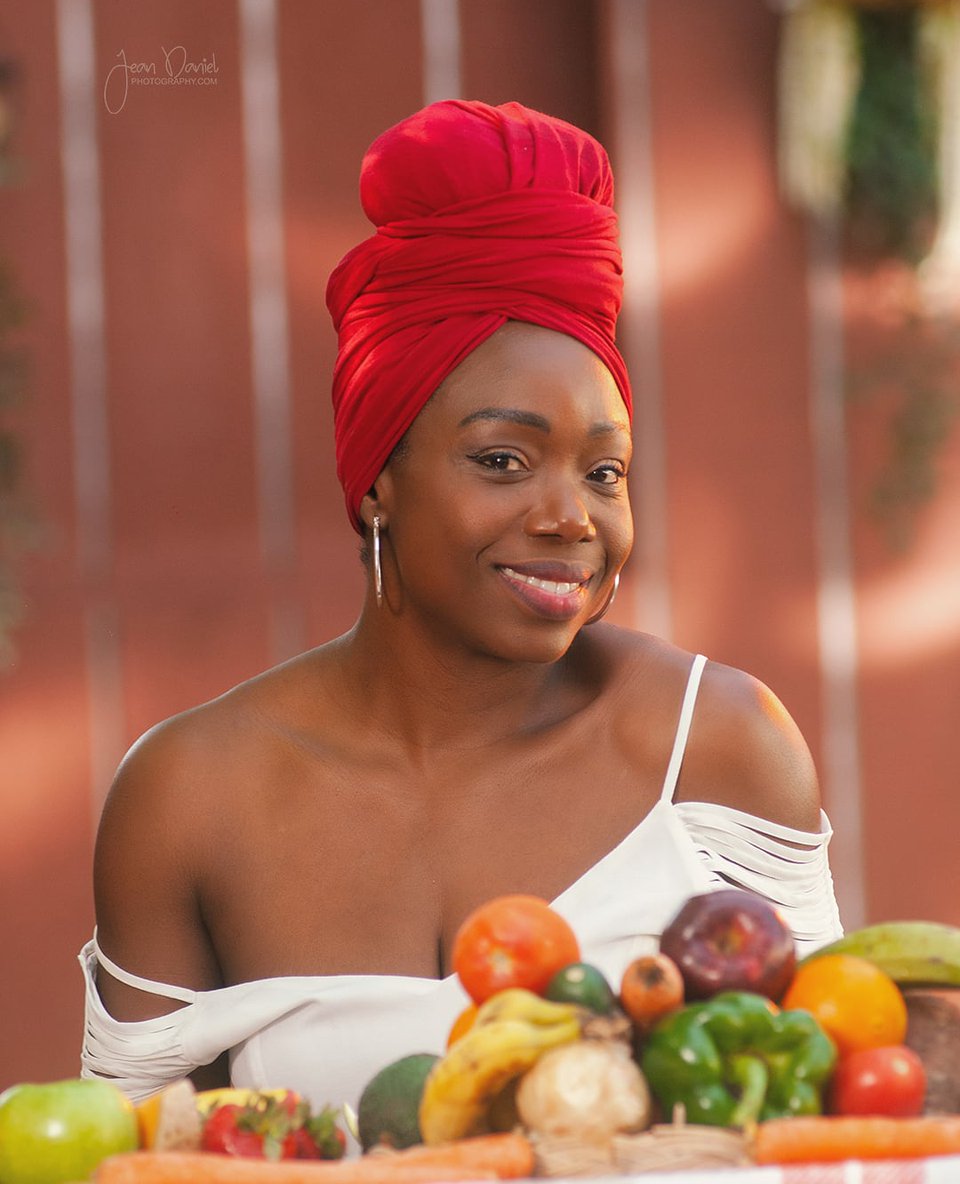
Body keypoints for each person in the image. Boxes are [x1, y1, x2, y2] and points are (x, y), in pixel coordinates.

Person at [79, 100, 842, 1120]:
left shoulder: (719, 749)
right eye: (502, 460)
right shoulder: (188, 800)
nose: (572, 518)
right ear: (377, 480)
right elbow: (120, 1153)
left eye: (605, 470)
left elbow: (844, 1120)